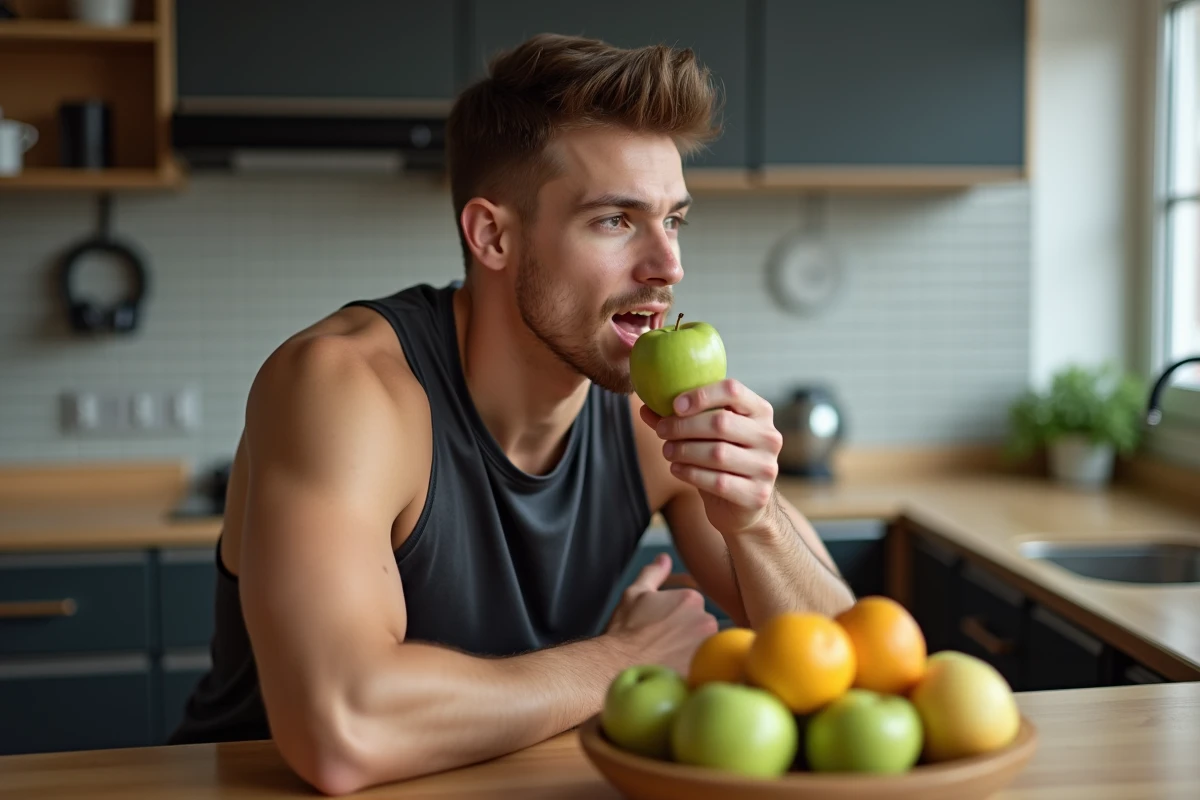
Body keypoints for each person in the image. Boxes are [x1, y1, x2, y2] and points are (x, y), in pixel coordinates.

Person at [170, 33, 855, 795]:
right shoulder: (346, 387)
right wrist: (623, 660)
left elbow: (845, 665)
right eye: (616, 221)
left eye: (675, 220)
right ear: (492, 234)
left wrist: (755, 522)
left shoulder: (642, 412)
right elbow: (343, 732)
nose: (669, 265)